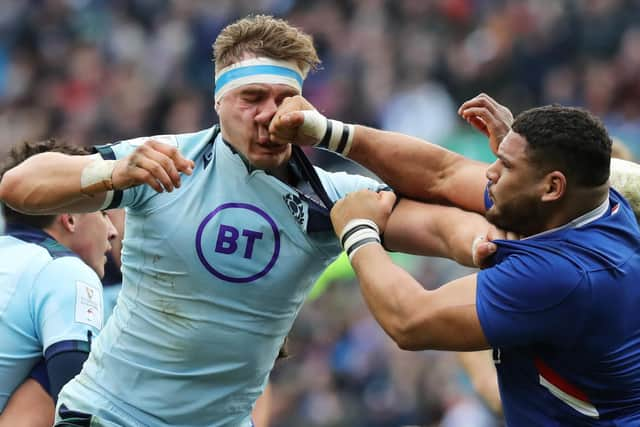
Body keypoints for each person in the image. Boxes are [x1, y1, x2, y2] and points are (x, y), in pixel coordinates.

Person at [0, 15, 497, 427]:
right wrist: (108, 170)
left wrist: (481, 245)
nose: (270, 114)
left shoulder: (332, 198)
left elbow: (458, 211)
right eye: (252, 98)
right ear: (219, 102)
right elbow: (19, 187)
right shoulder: (164, 160)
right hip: (108, 417)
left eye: (285, 98)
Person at [269, 94, 640, 424]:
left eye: (506, 166)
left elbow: (409, 320)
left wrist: (357, 230)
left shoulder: (564, 277)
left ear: (552, 187)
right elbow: (444, 174)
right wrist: (325, 131)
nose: (490, 171)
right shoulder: (597, 203)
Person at [0, 140, 117, 425]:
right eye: (103, 212)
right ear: (71, 219)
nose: (112, 231)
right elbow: (77, 406)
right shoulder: (65, 270)